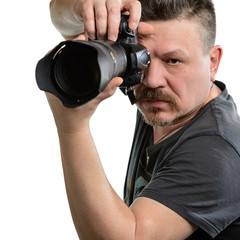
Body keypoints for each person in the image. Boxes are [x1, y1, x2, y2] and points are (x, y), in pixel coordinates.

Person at [46, 0, 240, 239]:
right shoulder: (177, 101)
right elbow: (63, 22)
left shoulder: (215, 152)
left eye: (173, 61)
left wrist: (72, 128)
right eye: (141, 58)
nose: (151, 80)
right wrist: (85, 7)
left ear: (213, 62)